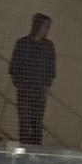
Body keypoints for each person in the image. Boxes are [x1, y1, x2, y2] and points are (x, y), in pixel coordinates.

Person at [8, 12, 55, 146]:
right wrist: (19, 84)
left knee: (37, 124)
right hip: (25, 90)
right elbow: (14, 66)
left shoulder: (48, 45)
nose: (46, 29)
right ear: (37, 26)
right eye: (45, 26)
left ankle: (35, 152)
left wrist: (46, 84)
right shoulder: (22, 43)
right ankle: (23, 151)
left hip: (39, 91)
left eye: (48, 26)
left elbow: (51, 68)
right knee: (24, 122)